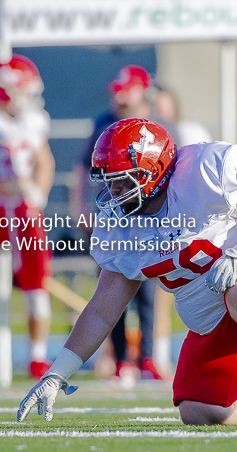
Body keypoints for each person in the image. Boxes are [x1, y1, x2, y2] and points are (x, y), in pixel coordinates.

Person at [18, 118, 237, 426]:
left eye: (124, 178)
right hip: (220, 318)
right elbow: (102, 311)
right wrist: (57, 373)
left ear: (153, 170)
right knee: (201, 411)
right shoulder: (119, 228)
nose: (114, 190)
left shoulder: (200, 171)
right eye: (108, 179)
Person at [70, 65, 175, 381]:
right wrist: (80, 208)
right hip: (115, 216)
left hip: (151, 217)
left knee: (149, 291)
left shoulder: (161, 124)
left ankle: (147, 358)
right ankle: (119, 359)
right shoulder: (104, 123)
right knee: (112, 287)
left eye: (125, 90)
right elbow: (82, 168)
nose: (118, 98)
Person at [0, 54, 56, 381]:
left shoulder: (32, 121)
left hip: (23, 209)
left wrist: (38, 193)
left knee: (37, 285)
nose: (29, 97)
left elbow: (43, 161)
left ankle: (37, 357)